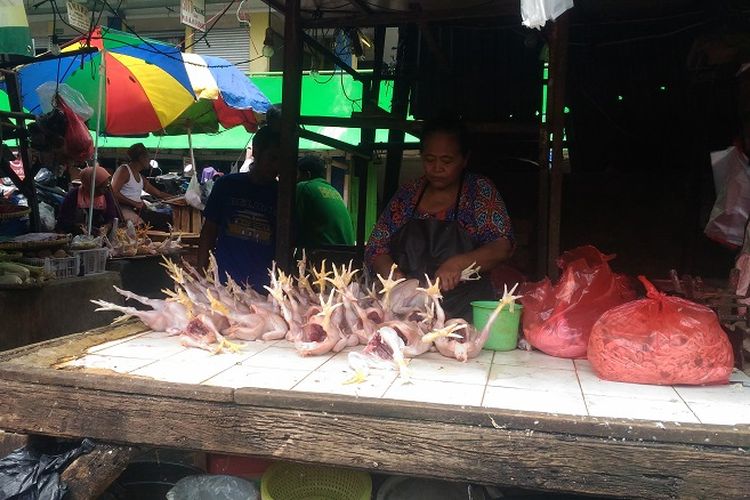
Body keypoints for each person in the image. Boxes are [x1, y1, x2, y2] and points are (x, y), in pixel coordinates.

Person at [364, 116, 514, 320]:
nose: (436, 168)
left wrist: (458, 263)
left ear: (464, 159)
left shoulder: (479, 192)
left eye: (446, 161)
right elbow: (376, 246)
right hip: (409, 312)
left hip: (464, 313)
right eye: (429, 159)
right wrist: (395, 278)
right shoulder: (408, 195)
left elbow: (501, 246)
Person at [198, 126, 281, 289]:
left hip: (265, 290)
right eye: (272, 158)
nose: (276, 166)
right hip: (225, 284)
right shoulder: (226, 185)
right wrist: (200, 275)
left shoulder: (283, 196)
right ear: (256, 152)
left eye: (281, 160)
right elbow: (208, 232)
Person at [295, 155, 355, 248]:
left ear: (307, 174)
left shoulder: (304, 187)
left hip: (324, 256)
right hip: (346, 256)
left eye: (297, 174)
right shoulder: (334, 191)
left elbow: (292, 224)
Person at [111, 143, 172, 229]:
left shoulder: (141, 178)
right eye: (147, 157)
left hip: (136, 209)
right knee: (140, 226)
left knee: (166, 220)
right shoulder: (124, 170)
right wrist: (134, 203)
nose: (149, 160)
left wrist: (179, 198)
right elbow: (113, 192)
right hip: (123, 208)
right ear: (140, 158)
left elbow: (158, 194)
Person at [56, 165, 118, 235]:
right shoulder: (74, 195)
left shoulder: (106, 195)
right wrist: (79, 227)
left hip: (100, 236)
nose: (105, 190)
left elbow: (111, 217)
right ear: (90, 186)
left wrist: (106, 227)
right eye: (101, 187)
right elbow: (63, 221)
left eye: (106, 186)